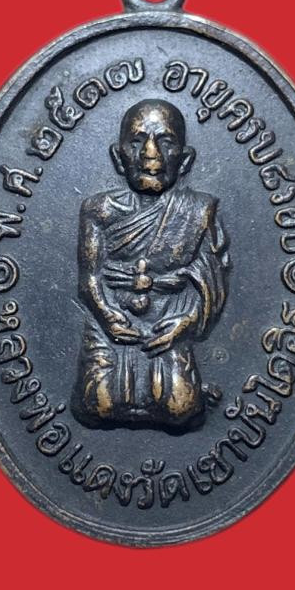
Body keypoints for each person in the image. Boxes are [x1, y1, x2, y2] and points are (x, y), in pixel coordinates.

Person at [72, 99, 229, 428]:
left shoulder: (199, 211)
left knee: (181, 409)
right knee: (97, 405)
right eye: (137, 141)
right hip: (111, 324)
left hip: (168, 324)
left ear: (185, 160)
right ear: (118, 157)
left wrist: (184, 324)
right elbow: (89, 279)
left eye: (166, 141)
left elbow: (212, 285)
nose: (150, 154)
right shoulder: (99, 210)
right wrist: (107, 315)